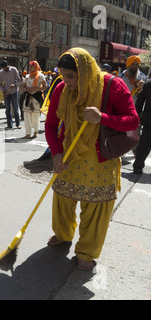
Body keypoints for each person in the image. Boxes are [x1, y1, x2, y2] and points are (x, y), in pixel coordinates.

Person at [45, 48, 139, 271]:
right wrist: (56, 153)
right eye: (63, 76)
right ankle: (64, 234)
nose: (66, 82)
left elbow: (133, 120)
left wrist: (102, 118)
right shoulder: (61, 89)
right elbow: (50, 125)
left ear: (85, 71)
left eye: (71, 76)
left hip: (100, 160)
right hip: (68, 156)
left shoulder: (112, 86)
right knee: (63, 200)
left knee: (95, 208)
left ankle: (86, 251)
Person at [21, 61, 47, 139]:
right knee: (27, 116)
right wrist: (26, 89)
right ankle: (28, 133)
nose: (30, 68)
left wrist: (36, 89)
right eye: (29, 66)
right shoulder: (27, 76)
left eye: (31, 66)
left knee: (35, 116)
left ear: (35, 67)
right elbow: (22, 86)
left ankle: (35, 131)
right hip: (28, 98)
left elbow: (45, 86)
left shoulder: (40, 76)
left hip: (36, 98)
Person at [133, 78, 151, 174]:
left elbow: (139, 102)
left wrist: (137, 116)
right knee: (144, 145)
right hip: (148, 121)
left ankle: (138, 166)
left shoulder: (148, 84)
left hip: (149, 121)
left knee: (144, 145)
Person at [0, 60, 22, 129]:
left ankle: (18, 124)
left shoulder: (14, 70)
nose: (3, 69)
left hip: (14, 92)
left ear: (7, 66)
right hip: (6, 93)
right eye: (2, 68)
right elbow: (0, 83)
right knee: (7, 109)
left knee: (15, 108)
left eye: (4, 67)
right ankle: (9, 124)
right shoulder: (1, 72)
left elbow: (19, 80)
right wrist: (3, 91)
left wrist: (14, 84)